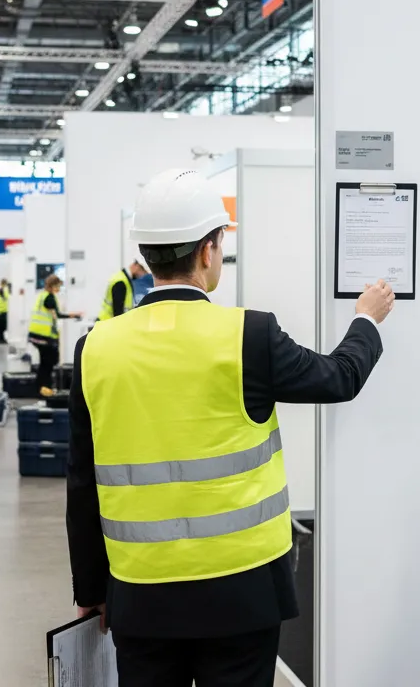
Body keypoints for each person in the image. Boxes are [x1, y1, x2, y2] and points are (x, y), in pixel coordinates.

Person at [66, 169, 394, 687]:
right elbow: (339, 378)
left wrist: (91, 590)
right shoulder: (249, 335)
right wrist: (366, 320)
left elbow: (81, 479)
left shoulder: (96, 347)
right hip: (243, 594)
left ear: (148, 254)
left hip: (141, 592)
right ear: (207, 250)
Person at [28, 274, 80, 397]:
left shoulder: (43, 295)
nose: (59, 289)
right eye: (58, 286)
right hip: (43, 336)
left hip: (36, 335)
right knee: (48, 363)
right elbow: (58, 315)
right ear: (52, 285)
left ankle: (41, 388)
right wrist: (74, 315)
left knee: (45, 363)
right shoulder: (49, 298)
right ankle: (44, 388)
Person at [0, 279, 11, 344]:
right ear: (5, 283)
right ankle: (3, 339)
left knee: (0, 327)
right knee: (4, 327)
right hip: (4, 310)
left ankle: (0, 339)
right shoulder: (4, 289)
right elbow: (7, 297)